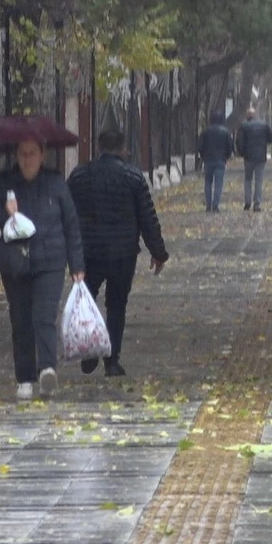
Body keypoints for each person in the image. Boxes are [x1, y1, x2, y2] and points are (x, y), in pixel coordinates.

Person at [0, 138, 85, 400]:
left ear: (43, 155)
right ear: (16, 155)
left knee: (44, 315)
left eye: (32, 153)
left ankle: (47, 368)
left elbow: (71, 224)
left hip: (50, 260)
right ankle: (24, 378)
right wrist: (6, 213)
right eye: (23, 153)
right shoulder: (5, 183)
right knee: (21, 319)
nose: (27, 159)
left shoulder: (56, 183)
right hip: (15, 262)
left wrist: (77, 264)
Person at [67, 130, 169, 377]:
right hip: (122, 253)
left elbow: (67, 214)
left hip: (88, 251)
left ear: (99, 148)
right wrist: (158, 253)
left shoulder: (79, 176)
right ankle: (112, 360)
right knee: (116, 305)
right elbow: (147, 216)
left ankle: (89, 349)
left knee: (86, 301)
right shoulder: (133, 177)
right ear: (123, 149)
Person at [235, 107, 272, 212]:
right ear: (255, 115)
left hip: (248, 157)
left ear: (247, 116)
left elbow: (239, 141)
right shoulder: (263, 125)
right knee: (259, 180)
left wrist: (242, 153)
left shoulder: (243, 126)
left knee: (248, 179)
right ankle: (257, 204)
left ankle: (247, 202)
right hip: (261, 156)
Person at [197, 111, 235, 212]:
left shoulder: (205, 132)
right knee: (218, 183)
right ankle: (215, 205)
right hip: (220, 160)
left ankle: (208, 205)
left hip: (208, 161)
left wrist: (204, 156)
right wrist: (225, 156)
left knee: (208, 183)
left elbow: (200, 146)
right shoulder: (225, 132)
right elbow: (229, 147)